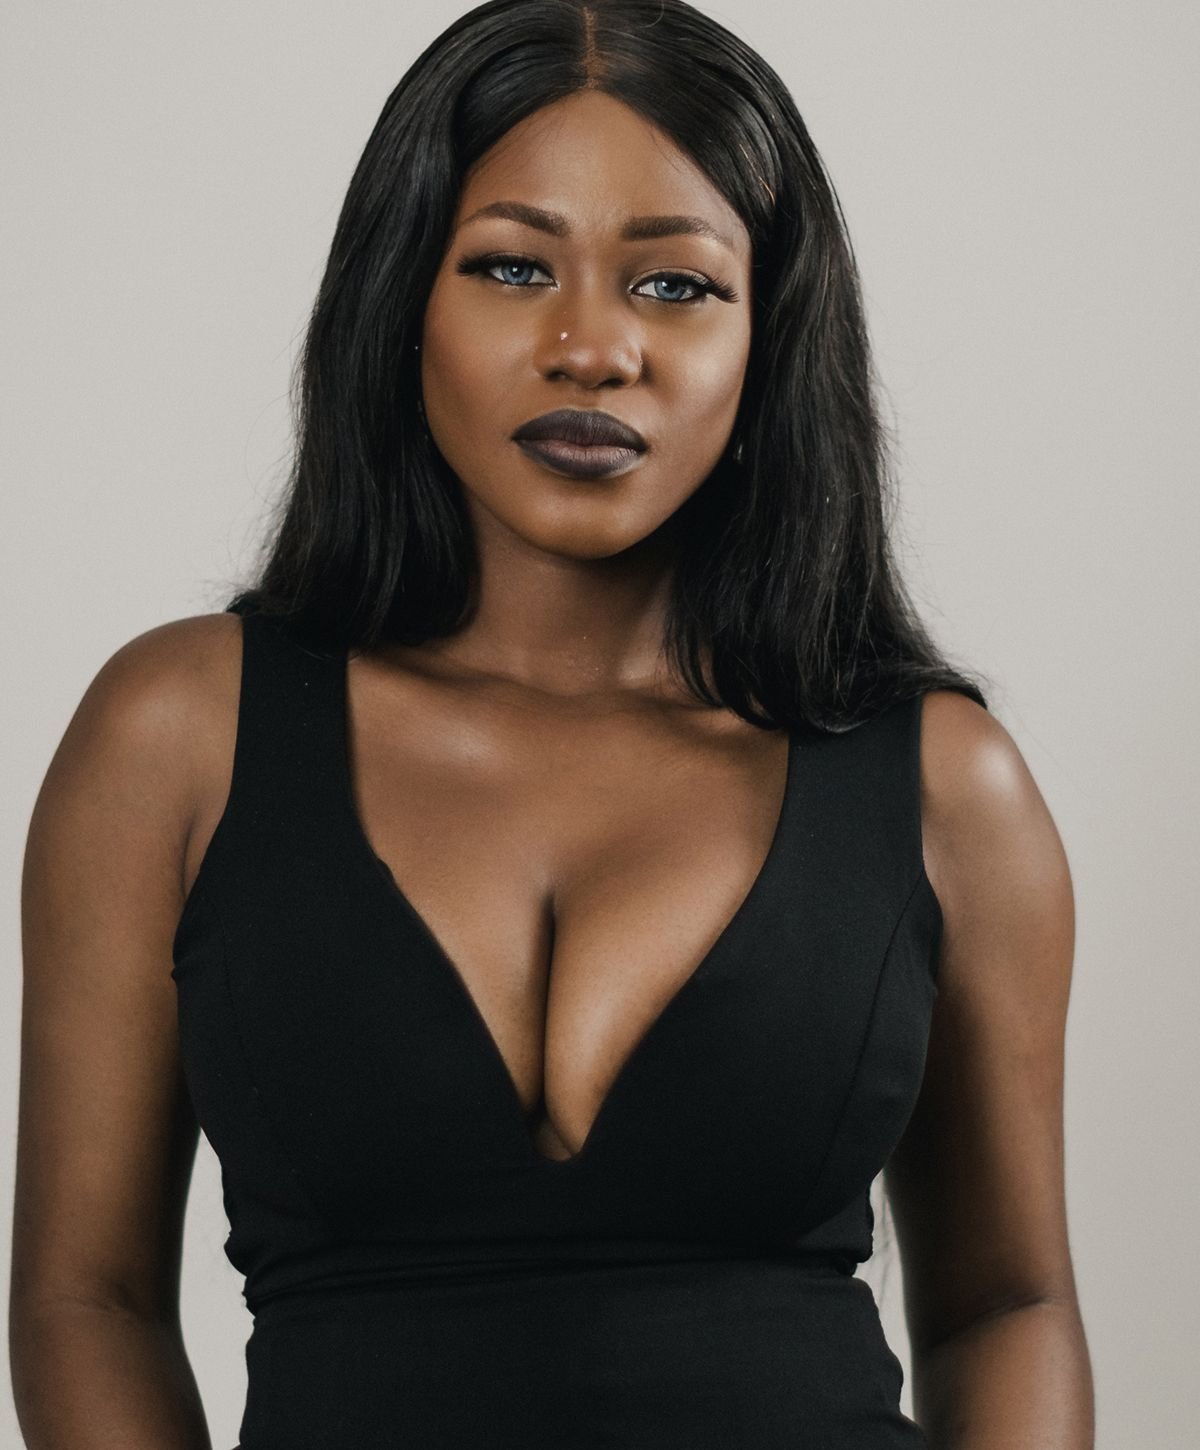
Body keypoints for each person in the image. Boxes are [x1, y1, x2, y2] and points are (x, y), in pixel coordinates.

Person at [10, 1, 1094, 1445]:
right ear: (405, 302)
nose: (591, 349)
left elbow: (1009, 1302)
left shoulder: (943, 784)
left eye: (676, 286)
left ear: (769, 335)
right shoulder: (177, 737)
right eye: (514, 266)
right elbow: (85, 1297)